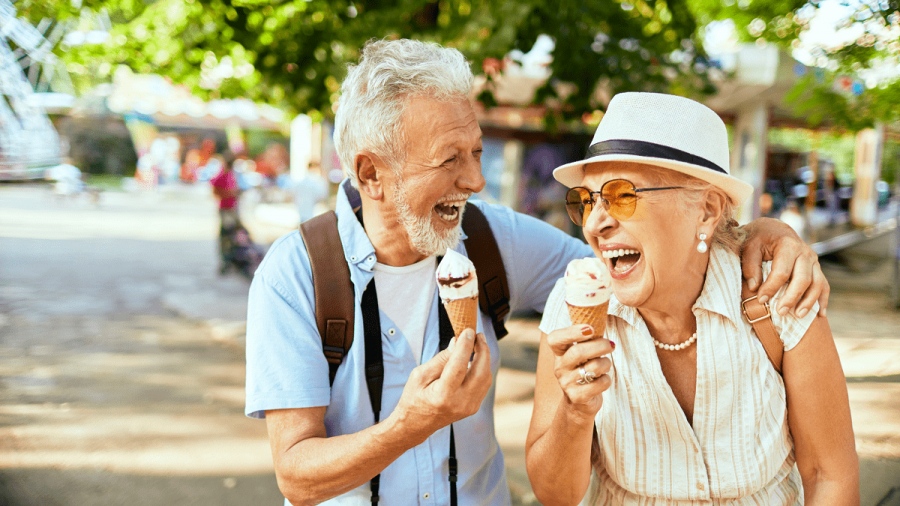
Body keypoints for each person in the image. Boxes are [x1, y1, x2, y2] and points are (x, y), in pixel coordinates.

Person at [245, 40, 830, 506]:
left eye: (476, 152)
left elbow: (633, 258)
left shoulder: (493, 239)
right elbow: (297, 477)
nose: (474, 180)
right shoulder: (296, 276)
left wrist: (761, 234)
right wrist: (414, 422)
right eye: (451, 159)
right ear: (370, 173)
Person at [525, 93, 857, 505]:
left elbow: (829, 476)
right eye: (586, 200)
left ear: (706, 209)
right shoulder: (573, 304)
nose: (595, 222)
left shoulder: (779, 293)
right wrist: (574, 414)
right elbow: (555, 495)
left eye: (623, 195)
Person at [209, 151, 241, 273]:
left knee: (234, 235)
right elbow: (215, 192)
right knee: (226, 236)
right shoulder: (221, 176)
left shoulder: (231, 175)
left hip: (232, 209)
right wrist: (229, 194)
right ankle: (225, 261)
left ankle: (234, 260)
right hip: (225, 209)